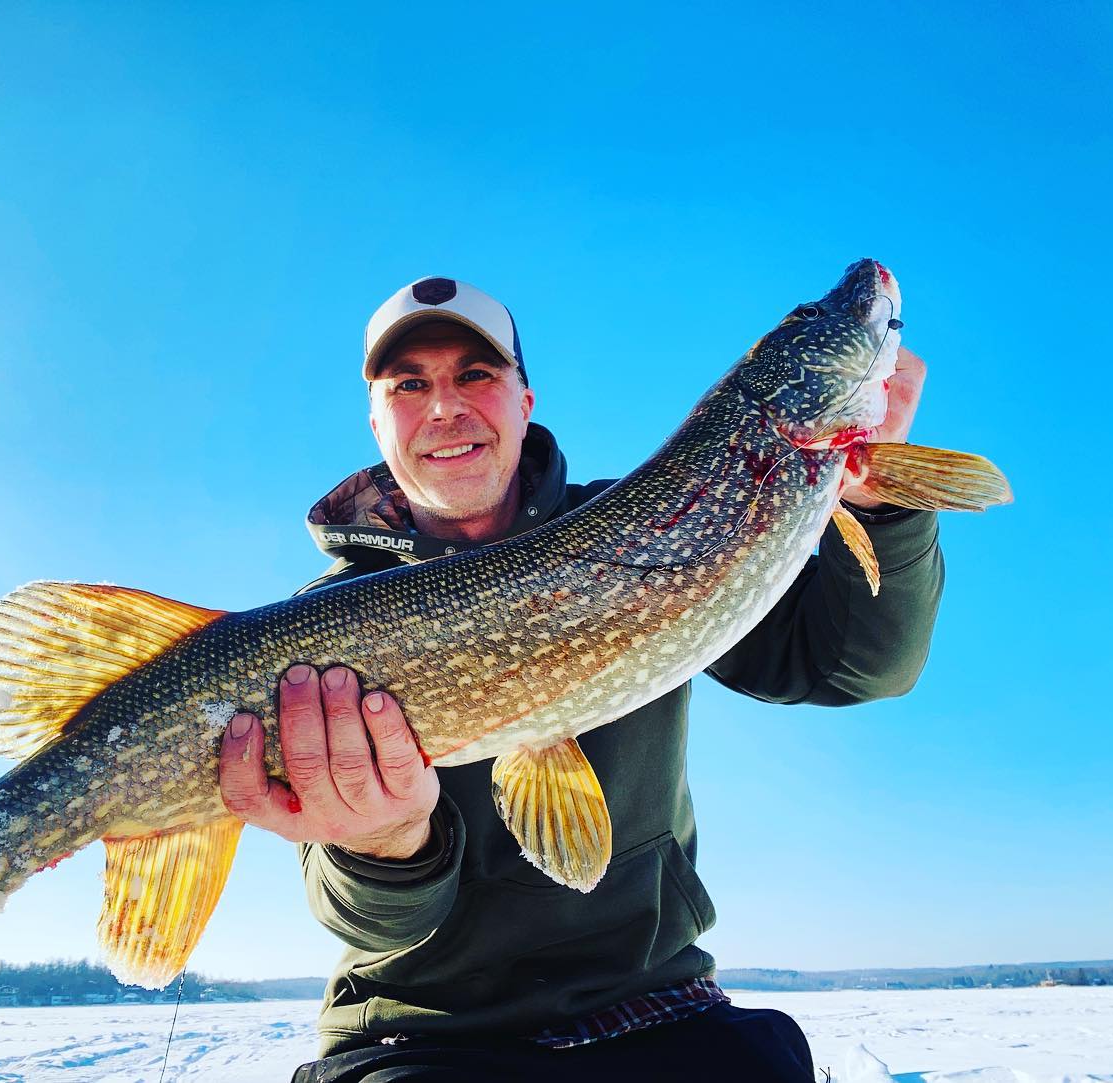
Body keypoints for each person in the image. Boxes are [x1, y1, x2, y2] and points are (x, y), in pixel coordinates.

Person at [217, 276, 942, 1081]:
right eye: (409, 385)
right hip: (425, 1033)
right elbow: (368, 922)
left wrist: (880, 505)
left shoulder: (660, 523)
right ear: (377, 422)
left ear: (525, 400)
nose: (445, 406)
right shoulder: (318, 634)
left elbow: (856, 665)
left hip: (654, 1002)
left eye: (475, 374)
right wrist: (386, 844)